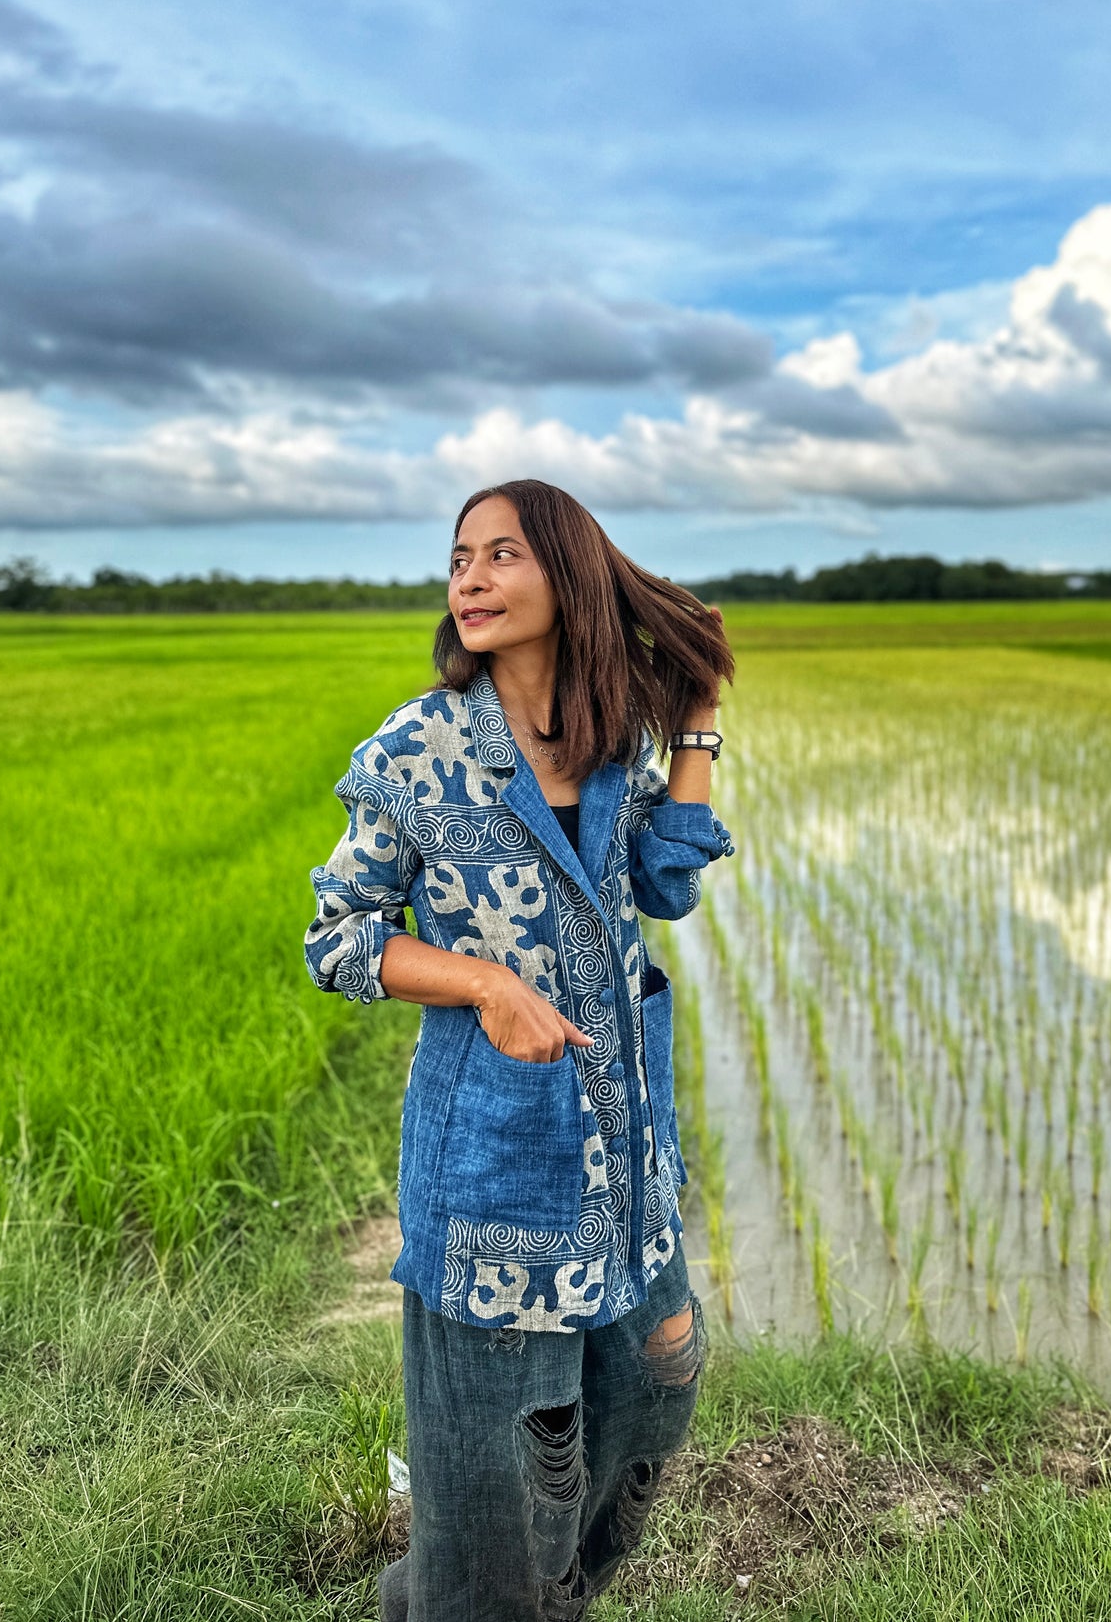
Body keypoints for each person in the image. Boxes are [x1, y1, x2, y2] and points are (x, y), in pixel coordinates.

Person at [304, 478, 737, 1621]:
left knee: (655, 1392)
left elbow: (663, 882)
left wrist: (692, 716)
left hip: (626, 1160)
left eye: (501, 554)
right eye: (460, 559)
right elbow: (339, 939)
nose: (471, 578)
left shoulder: (607, 741)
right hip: (498, 1166)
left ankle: (529, 1599)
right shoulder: (417, 749)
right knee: (507, 1476)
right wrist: (485, 982)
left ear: (568, 574)